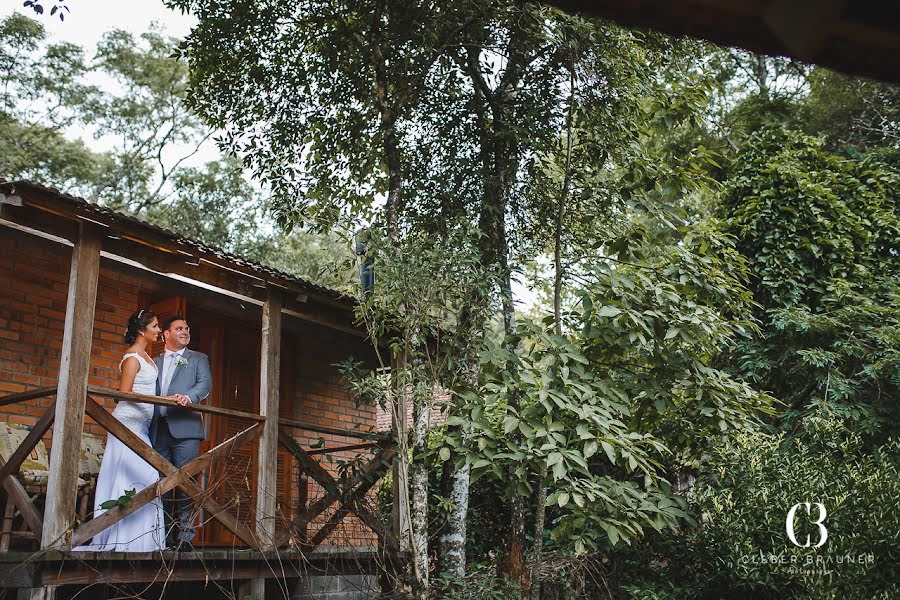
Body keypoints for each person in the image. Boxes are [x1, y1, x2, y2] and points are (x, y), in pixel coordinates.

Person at [74, 309, 165, 552]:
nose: (158, 331)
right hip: (127, 425)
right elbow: (124, 393)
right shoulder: (132, 357)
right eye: (155, 326)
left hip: (141, 427)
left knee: (144, 478)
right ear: (141, 330)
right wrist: (158, 401)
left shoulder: (147, 356)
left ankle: (141, 540)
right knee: (132, 476)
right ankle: (118, 537)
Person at [150, 314, 211, 550]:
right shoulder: (153, 362)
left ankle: (185, 537)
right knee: (162, 483)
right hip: (158, 429)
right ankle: (163, 536)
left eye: (187, 328)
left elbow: (204, 386)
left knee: (187, 482)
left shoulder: (198, 358)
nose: (185, 331)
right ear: (166, 334)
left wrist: (188, 397)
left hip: (186, 429)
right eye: (179, 328)